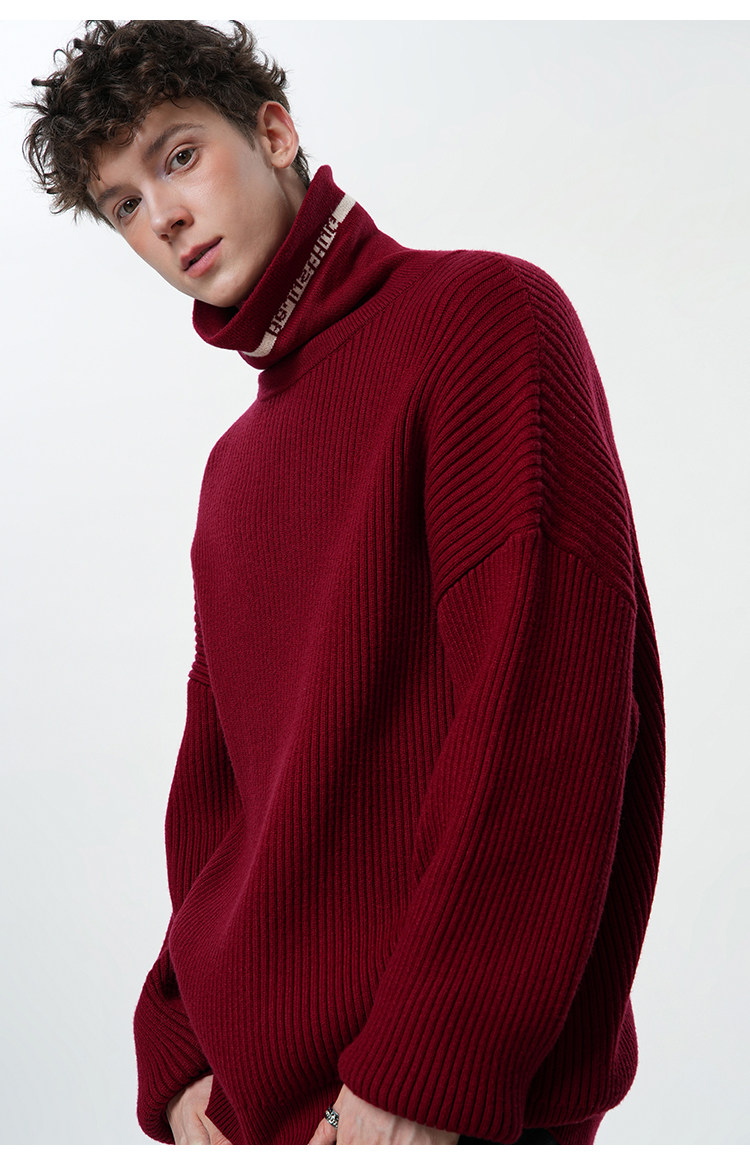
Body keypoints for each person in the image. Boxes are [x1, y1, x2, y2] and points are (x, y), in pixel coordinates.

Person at [19, 19, 666, 1147]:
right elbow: (218, 794)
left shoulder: (482, 320)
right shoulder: (234, 470)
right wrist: (180, 1057)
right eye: (123, 202)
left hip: (428, 1103)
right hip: (256, 1112)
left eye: (179, 156)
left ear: (274, 133)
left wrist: (426, 1067)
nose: (163, 215)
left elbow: (547, 714)